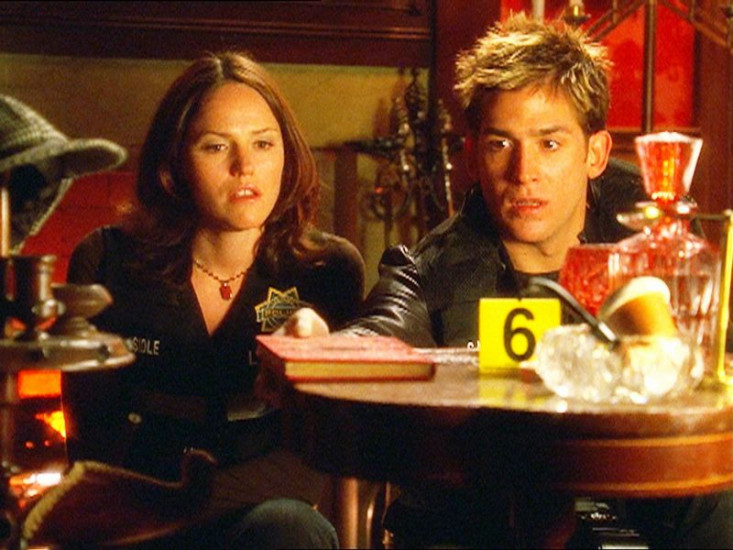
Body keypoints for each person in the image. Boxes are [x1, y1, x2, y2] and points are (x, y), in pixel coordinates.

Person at [277, 13, 733, 549]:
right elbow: (382, 331)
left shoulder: (658, 241)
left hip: (637, 498)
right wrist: (321, 343)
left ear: (596, 154)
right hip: (482, 511)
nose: (523, 172)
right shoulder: (432, 268)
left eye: (549, 144)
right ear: (473, 156)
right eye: (500, 144)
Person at [60, 51, 365, 549]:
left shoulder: (328, 269)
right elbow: (88, 442)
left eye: (263, 143)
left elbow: (323, 456)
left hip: (261, 512)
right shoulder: (106, 261)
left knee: (292, 528)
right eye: (216, 146)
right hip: (137, 520)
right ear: (175, 162)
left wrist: (190, 506)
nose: (245, 167)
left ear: (286, 153)